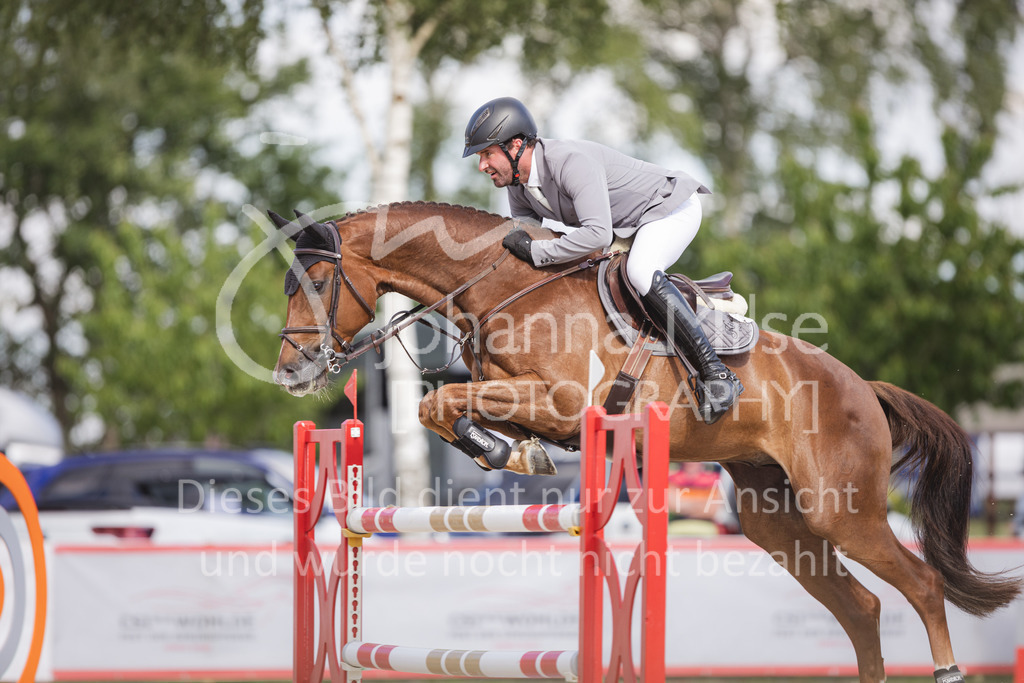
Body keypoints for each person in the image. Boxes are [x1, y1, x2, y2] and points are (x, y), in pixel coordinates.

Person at [462, 96, 743, 424]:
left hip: (668, 208)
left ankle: (717, 373)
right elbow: (527, 241)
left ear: (515, 145)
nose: (482, 166)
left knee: (640, 272)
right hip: (624, 227)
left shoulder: (569, 162)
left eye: (487, 154)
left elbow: (595, 235)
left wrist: (536, 252)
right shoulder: (518, 185)